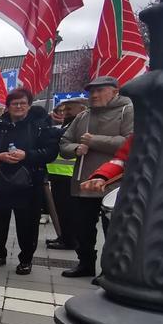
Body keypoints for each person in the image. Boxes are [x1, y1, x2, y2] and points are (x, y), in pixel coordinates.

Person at [59, 76, 133, 278]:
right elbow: (64, 142)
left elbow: (130, 142)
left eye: (100, 90)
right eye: (92, 91)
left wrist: (94, 140)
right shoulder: (83, 116)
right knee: (83, 228)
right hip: (84, 182)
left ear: (115, 91)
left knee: (112, 230)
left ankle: (109, 271)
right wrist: (75, 148)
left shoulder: (127, 111)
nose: (94, 95)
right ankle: (85, 264)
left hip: (114, 184)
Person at [0, 89, 59, 275]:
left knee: (27, 224)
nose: (19, 106)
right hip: (1, 181)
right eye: (14, 103)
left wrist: (27, 155)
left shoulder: (40, 125)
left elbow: (51, 152)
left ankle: (26, 259)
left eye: (23, 103)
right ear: (8, 106)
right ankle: (0, 253)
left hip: (30, 183)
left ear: (29, 105)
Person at [45, 97, 87, 250]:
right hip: (60, 173)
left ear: (81, 109)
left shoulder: (81, 123)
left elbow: (60, 136)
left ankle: (69, 240)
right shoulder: (69, 122)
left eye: (69, 109)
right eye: (64, 109)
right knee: (61, 210)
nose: (65, 112)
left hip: (69, 173)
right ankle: (64, 236)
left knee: (68, 210)